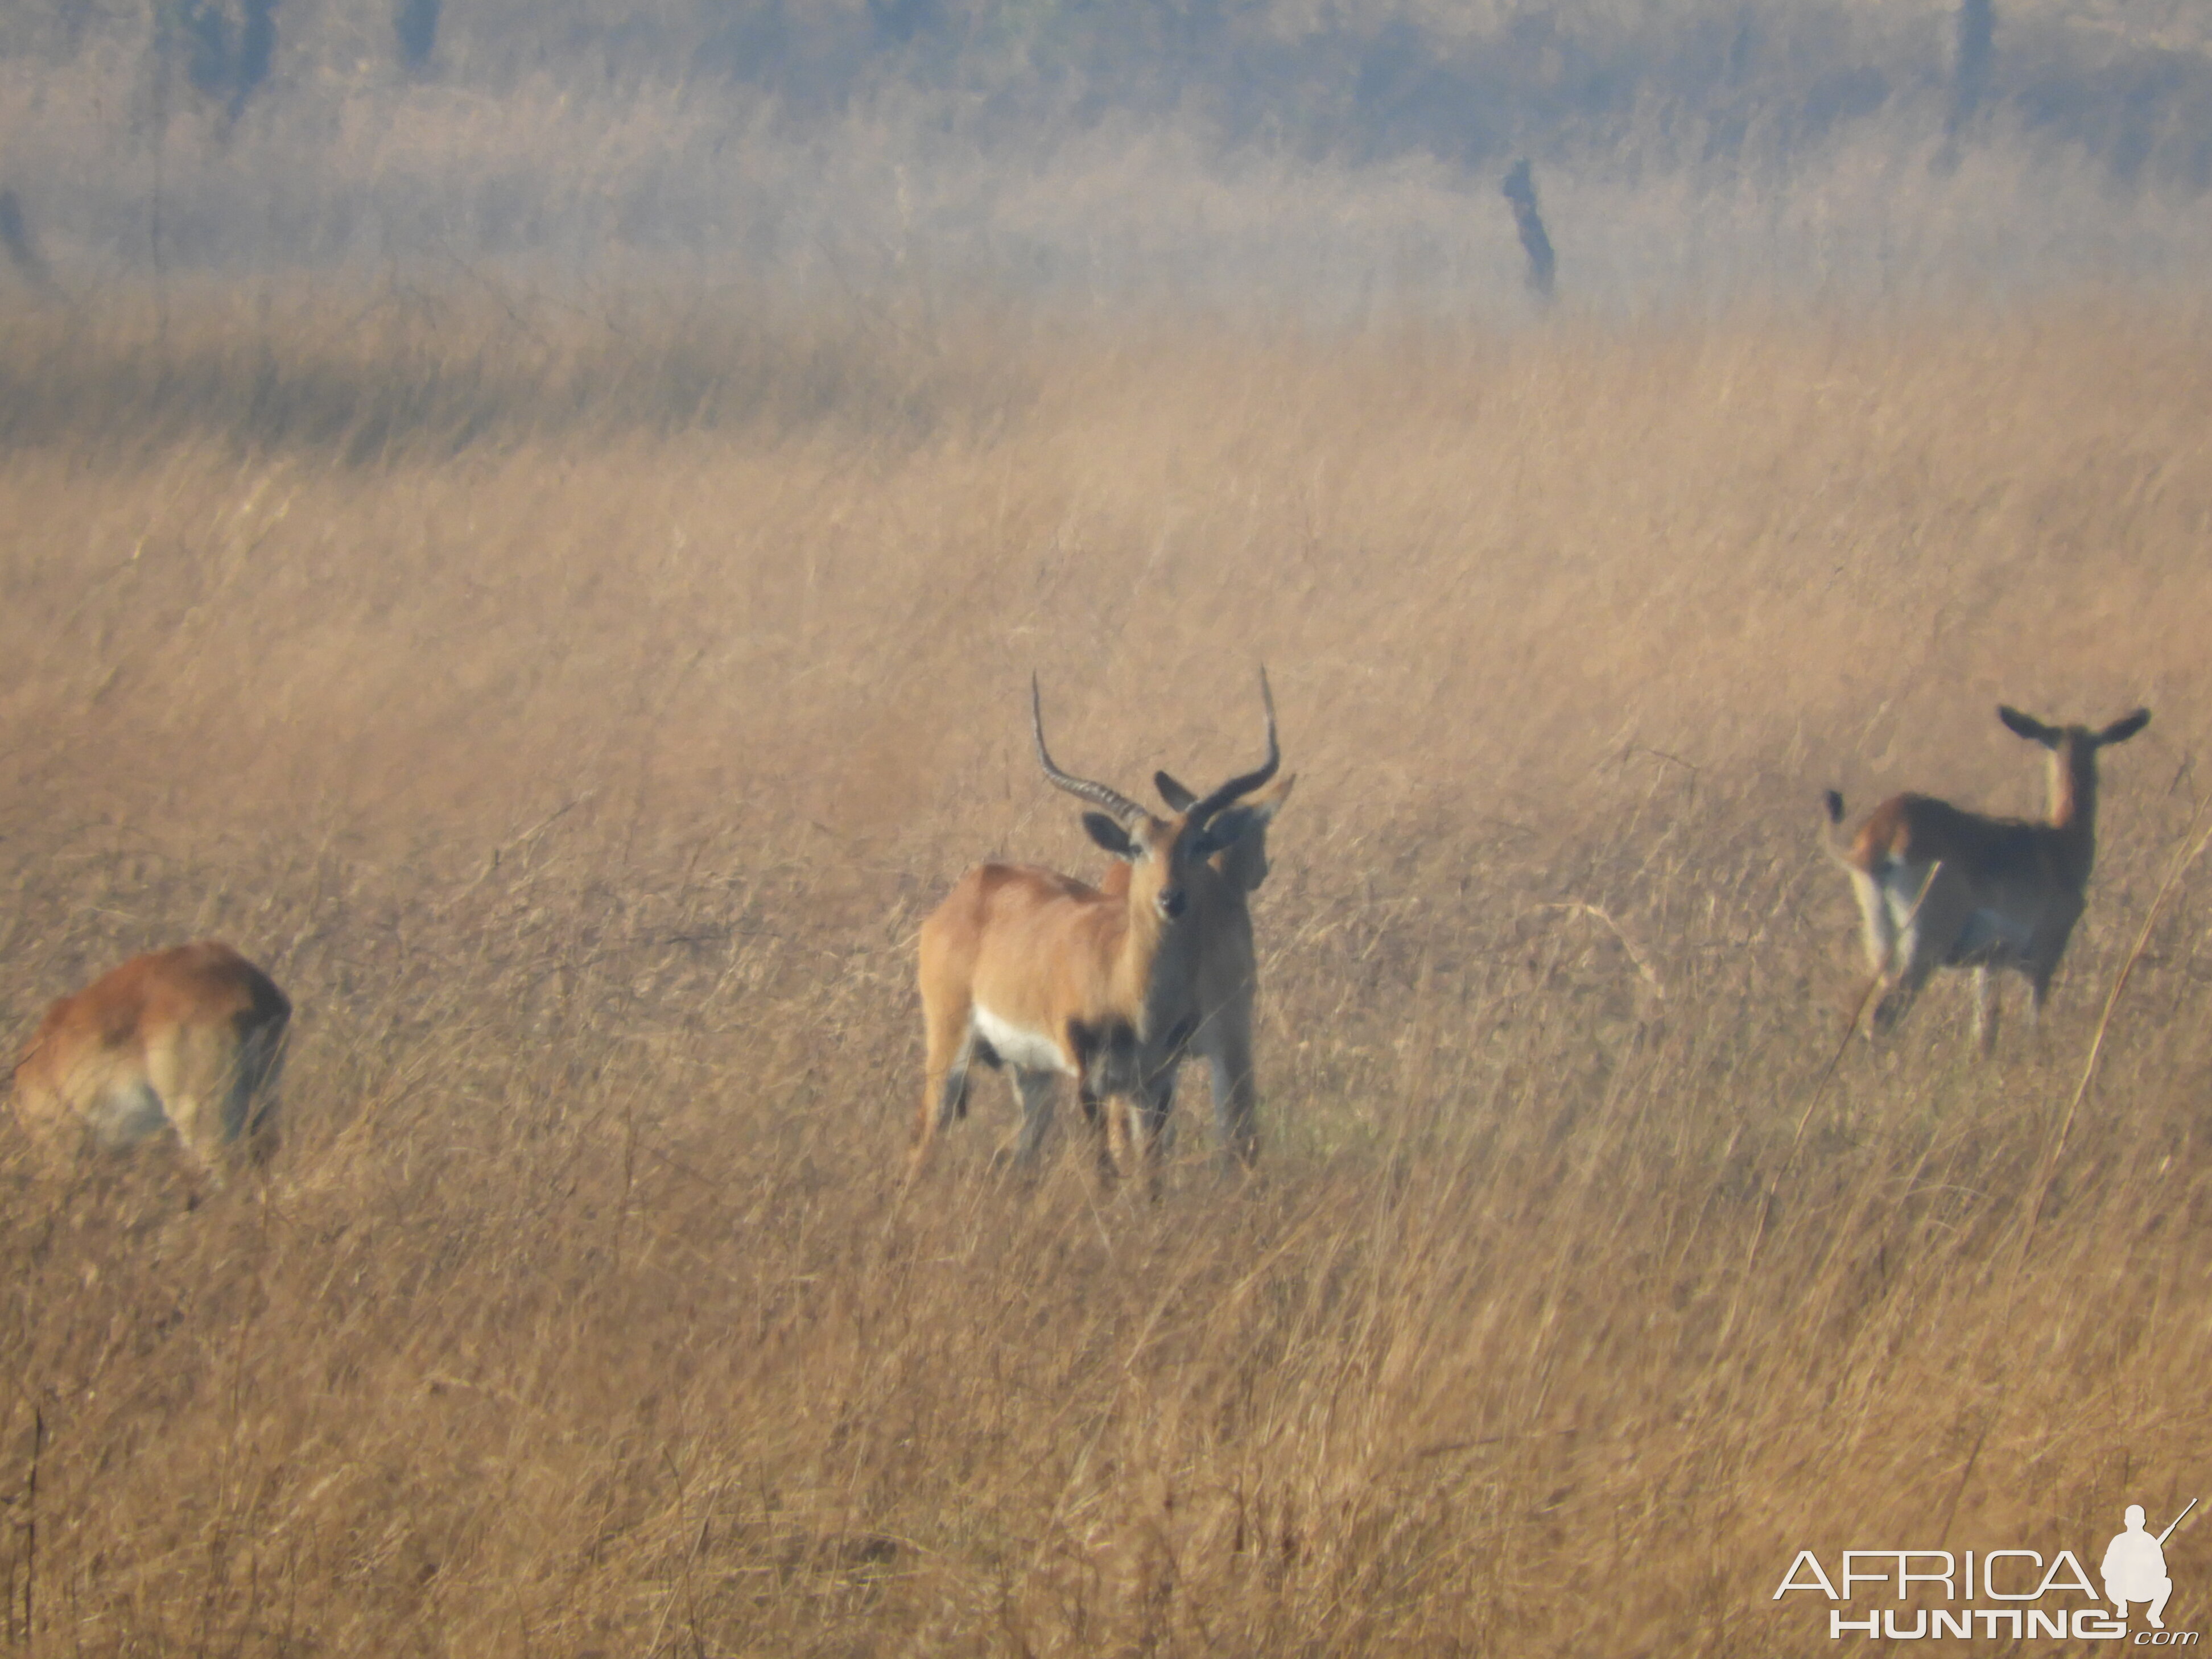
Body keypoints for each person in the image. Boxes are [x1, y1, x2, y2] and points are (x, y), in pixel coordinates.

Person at [2104, 1504, 2174, 1629]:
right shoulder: (2118, 1541)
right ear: (2126, 1521)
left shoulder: (2150, 1541)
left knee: (2166, 1583)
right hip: (2122, 1589)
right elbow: (2106, 1569)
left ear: (2144, 1521)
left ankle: (2154, 1615)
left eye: (2138, 1517)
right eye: (2131, 1518)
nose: (2134, 1520)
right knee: (2114, 1580)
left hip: (2144, 1588)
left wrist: (2147, 1566)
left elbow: (2162, 1570)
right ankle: (2122, 1606)